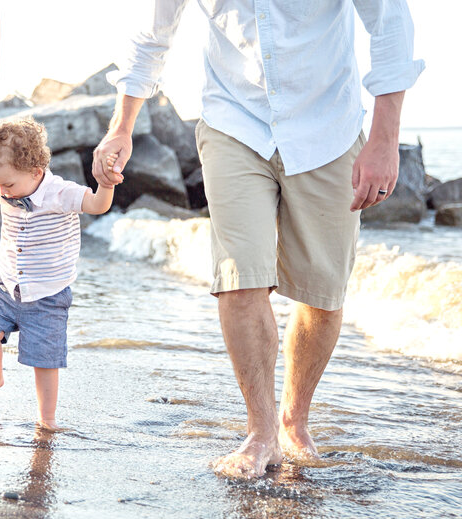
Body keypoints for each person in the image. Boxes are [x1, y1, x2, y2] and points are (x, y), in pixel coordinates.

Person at [92, 0, 423, 478]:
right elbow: (151, 36)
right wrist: (120, 127)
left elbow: (391, 22)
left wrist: (385, 139)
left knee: (322, 293)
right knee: (239, 277)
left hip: (327, 126)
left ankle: (295, 420)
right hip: (234, 123)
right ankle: (261, 431)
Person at [0, 118, 115, 430]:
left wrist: (108, 182)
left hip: (48, 294)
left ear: (35, 172)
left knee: (45, 362)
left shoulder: (60, 193)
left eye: (7, 185)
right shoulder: (8, 183)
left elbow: (98, 205)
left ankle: (47, 419)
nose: (2, 192)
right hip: (6, 284)